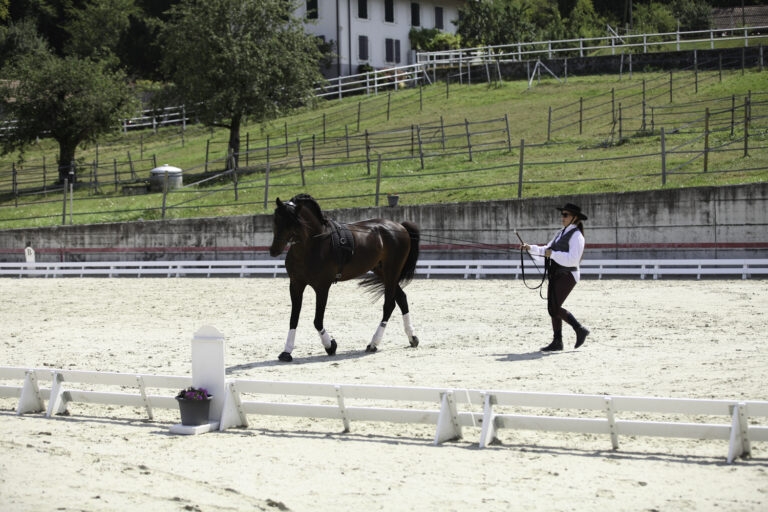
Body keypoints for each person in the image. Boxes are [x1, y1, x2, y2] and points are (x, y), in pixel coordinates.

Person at [521, 203, 590, 351]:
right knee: (552, 307)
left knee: (554, 307)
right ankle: (558, 341)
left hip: (568, 274)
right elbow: (547, 249)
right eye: (562, 214)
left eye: (566, 215)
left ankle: (579, 329)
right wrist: (530, 248)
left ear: (574, 218)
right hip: (556, 273)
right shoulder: (560, 233)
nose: (562, 217)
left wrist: (553, 254)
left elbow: (573, 259)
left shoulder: (577, 236)